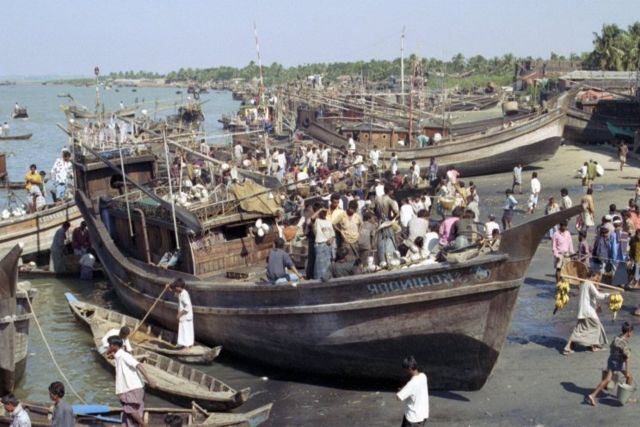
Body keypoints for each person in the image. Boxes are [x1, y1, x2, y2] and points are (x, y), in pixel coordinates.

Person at [108, 336, 154, 427]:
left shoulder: (124, 355)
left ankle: (144, 425)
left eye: (110, 345)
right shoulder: (118, 356)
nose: (108, 347)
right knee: (130, 414)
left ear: (115, 345)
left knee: (130, 409)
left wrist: (149, 379)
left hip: (132, 388)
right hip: (129, 388)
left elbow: (138, 365)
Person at [586, 321, 634, 406]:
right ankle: (625, 397)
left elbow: (611, 348)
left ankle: (592, 395)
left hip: (611, 360)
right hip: (619, 362)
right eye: (632, 332)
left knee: (608, 379)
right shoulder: (624, 343)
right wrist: (627, 372)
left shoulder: (617, 337)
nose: (632, 334)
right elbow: (626, 358)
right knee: (629, 377)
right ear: (629, 331)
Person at [562, 272, 610, 355]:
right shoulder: (589, 283)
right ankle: (593, 346)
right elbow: (598, 295)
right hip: (587, 311)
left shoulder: (582, 284)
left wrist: (596, 306)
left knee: (579, 329)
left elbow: (590, 297)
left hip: (583, 309)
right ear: (592, 276)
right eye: (596, 277)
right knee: (596, 326)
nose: (596, 279)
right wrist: (607, 294)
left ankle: (570, 346)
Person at [396, 356, 429, 427]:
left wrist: (401, 389)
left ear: (409, 369)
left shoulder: (411, 384)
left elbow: (398, 397)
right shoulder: (423, 376)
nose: (405, 372)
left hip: (412, 419)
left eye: (405, 369)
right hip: (422, 415)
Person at [170, 279, 194, 349]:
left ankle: (186, 346)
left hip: (186, 316)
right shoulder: (181, 293)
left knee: (186, 331)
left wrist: (180, 314)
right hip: (185, 316)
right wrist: (170, 288)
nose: (175, 289)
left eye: (176, 287)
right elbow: (176, 294)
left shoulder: (184, 294)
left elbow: (188, 306)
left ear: (179, 287)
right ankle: (186, 345)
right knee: (185, 330)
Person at [313, 209, 336, 280]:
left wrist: (331, 240)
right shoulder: (317, 221)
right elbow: (312, 218)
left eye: (325, 212)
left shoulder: (328, 222)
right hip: (320, 245)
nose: (324, 213)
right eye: (322, 212)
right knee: (320, 266)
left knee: (329, 265)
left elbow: (333, 234)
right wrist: (320, 209)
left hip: (329, 245)